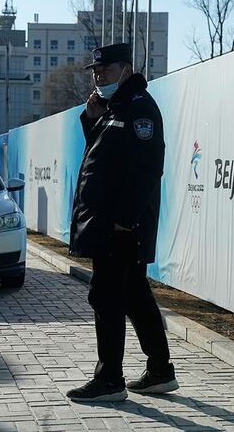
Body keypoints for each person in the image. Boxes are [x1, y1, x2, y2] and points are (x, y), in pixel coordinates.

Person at [66, 43, 177, 402]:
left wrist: (124, 222)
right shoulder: (114, 108)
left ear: (126, 71)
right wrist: (91, 117)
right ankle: (160, 370)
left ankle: (110, 379)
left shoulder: (139, 108)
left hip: (121, 226)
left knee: (107, 295)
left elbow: (146, 170)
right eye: (96, 73)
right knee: (133, 295)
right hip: (111, 222)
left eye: (107, 72)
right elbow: (105, 158)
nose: (100, 78)